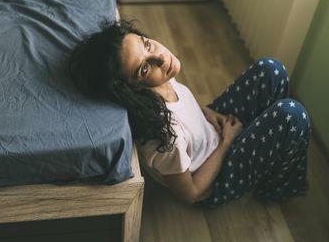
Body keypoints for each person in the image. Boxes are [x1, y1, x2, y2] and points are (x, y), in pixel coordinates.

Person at [68, 20, 310, 208]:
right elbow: (191, 194)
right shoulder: (164, 137)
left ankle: (268, 151)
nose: (161, 58)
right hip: (215, 177)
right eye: (144, 67)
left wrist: (206, 113)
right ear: (132, 88)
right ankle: (274, 187)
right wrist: (228, 142)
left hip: (212, 131)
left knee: (271, 69)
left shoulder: (159, 80)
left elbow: (183, 109)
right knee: (293, 115)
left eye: (147, 44)